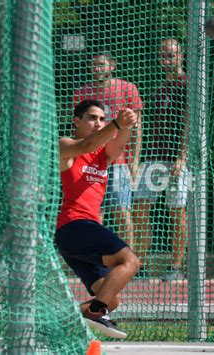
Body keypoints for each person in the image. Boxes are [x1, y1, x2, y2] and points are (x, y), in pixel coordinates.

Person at [55, 99, 140, 339]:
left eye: (102, 119)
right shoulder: (65, 145)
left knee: (110, 297)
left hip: (83, 232)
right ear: (76, 121)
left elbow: (115, 145)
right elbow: (89, 144)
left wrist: (126, 125)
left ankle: (55, 323)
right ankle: (95, 312)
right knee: (130, 262)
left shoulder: (103, 154)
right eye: (92, 118)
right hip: (73, 225)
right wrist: (115, 124)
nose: (98, 123)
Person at [73, 50, 143, 249]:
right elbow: (78, 128)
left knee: (121, 210)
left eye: (101, 64)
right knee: (94, 212)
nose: (97, 69)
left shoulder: (127, 89)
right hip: (90, 161)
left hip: (118, 159)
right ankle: (96, 258)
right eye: (94, 65)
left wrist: (134, 162)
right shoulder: (82, 93)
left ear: (112, 66)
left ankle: (128, 258)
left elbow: (137, 128)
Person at [133, 38, 189, 281]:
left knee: (176, 211)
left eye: (171, 54)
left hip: (176, 160)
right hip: (154, 159)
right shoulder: (160, 88)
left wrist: (182, 157)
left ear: (181, 56)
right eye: (163, 55)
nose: (167, 59)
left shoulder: (187, 85)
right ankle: (140, 265)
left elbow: (190, 122)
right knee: (139, 208)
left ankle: (175, 267)